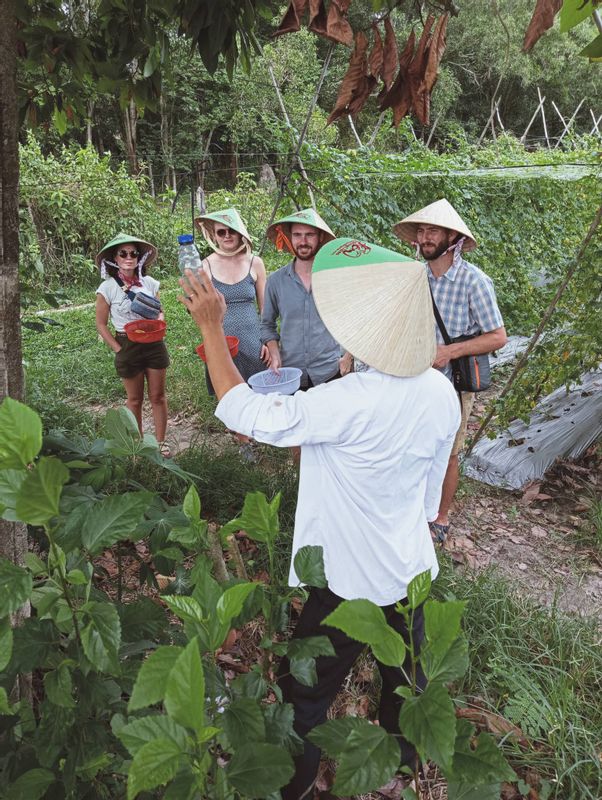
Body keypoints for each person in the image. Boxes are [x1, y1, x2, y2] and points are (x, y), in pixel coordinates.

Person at [179, 236, 461, 800]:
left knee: (303, 698)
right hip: (410, 574)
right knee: (404, 682)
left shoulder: (348, 400)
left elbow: (242, 410)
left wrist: (211, 326)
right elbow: (430, 501)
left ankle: (293, 785)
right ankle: (396, 774)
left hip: (346, 584)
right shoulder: (440, 393)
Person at [393, 199, 507, 542]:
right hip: (415, 380)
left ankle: (440, 517)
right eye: (422, 231)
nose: (426, 238)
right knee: (412, 445)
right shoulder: (416, 277)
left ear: (452, 238)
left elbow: (498, 336)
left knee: (449, 450)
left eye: (433, 231)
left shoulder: (474, 282)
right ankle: (413, 510)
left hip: (453, 382)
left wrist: (450, 351)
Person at [95, 233, 170, 456]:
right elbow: (100, 324)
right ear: (114, 259)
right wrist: (118, 349)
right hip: (127, 344)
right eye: (123, 253)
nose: (129, 257)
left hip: (154, 343)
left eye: (133, 253)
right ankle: (138, 443)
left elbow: (159, 310)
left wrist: (160, 322)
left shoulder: (149, 283)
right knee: (134, 399)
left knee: (158, 396)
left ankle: (161, 442)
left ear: (140, 257)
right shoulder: (107, 288)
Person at [261, 208, 352, 390]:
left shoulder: (335, 278)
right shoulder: (276, 282)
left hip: (330, 371)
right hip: (292, 374)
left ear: (319, 238)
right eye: (297, 235)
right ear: (290, 238)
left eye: (309, 235)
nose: (303, 241)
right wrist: (274, 351)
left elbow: (353, 319)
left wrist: (348, 358)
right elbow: (266, 324)